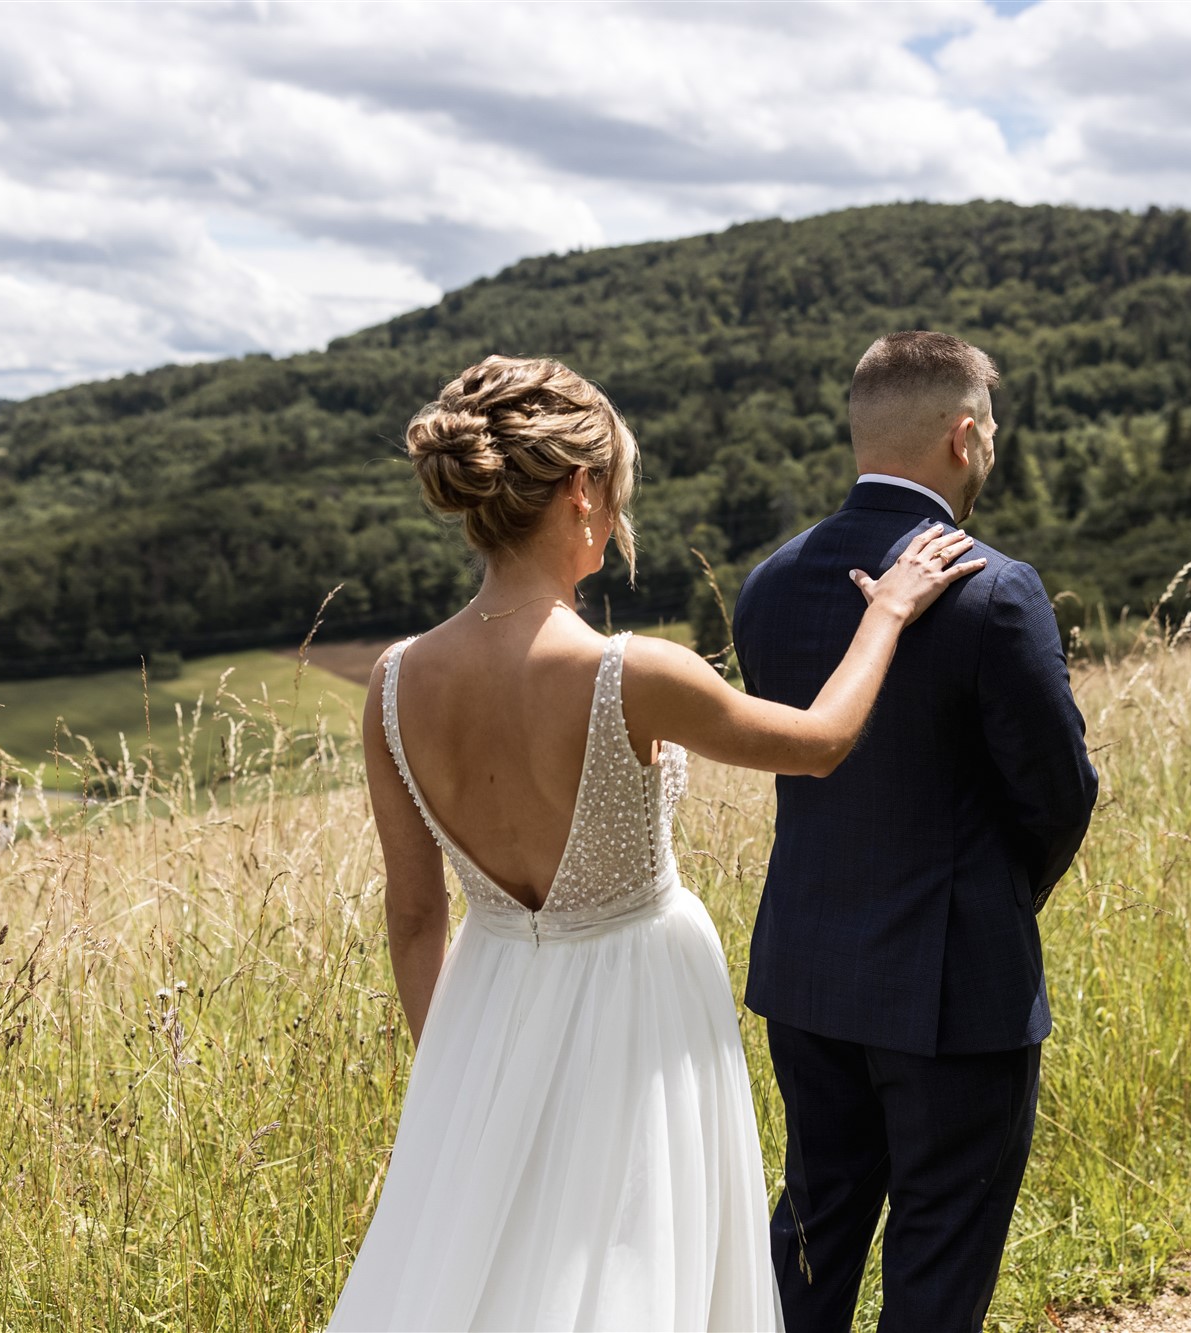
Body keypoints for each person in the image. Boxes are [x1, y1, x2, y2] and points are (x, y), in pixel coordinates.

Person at [330, 353, 984, 1331]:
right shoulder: (625, 671)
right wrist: (884, 612)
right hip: (638, 1006)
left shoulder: (391, 682)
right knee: (639, 1268)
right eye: (617, 490)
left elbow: (416, 914)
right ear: (582, 491)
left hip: (488, 1004)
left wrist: (454, 1080)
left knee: (513, 1277)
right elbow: (818, 745)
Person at [733, 330, 1100, 1331]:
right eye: (988, 435)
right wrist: (988, 896)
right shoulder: (995, 588)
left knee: (812, 1231)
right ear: (963, 434)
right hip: (955, 986)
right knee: (938, 1260)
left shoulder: (767, 584)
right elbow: (1058, 794)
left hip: (808, 970)